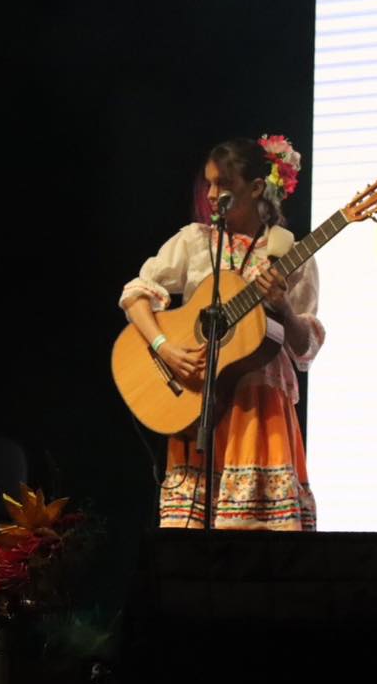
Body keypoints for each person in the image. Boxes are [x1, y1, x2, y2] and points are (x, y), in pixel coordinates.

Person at [120, 136, 323, 530]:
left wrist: (282, 308)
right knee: (190, 545)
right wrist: (164, 346)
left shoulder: (288, 254)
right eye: (209, 184)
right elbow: (135, 294)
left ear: (257, 187)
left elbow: (305, 349)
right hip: (197, 402)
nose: (212, 195)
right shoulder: (195, 242)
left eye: (224, 185)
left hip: (258, 409)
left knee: (255, 541)